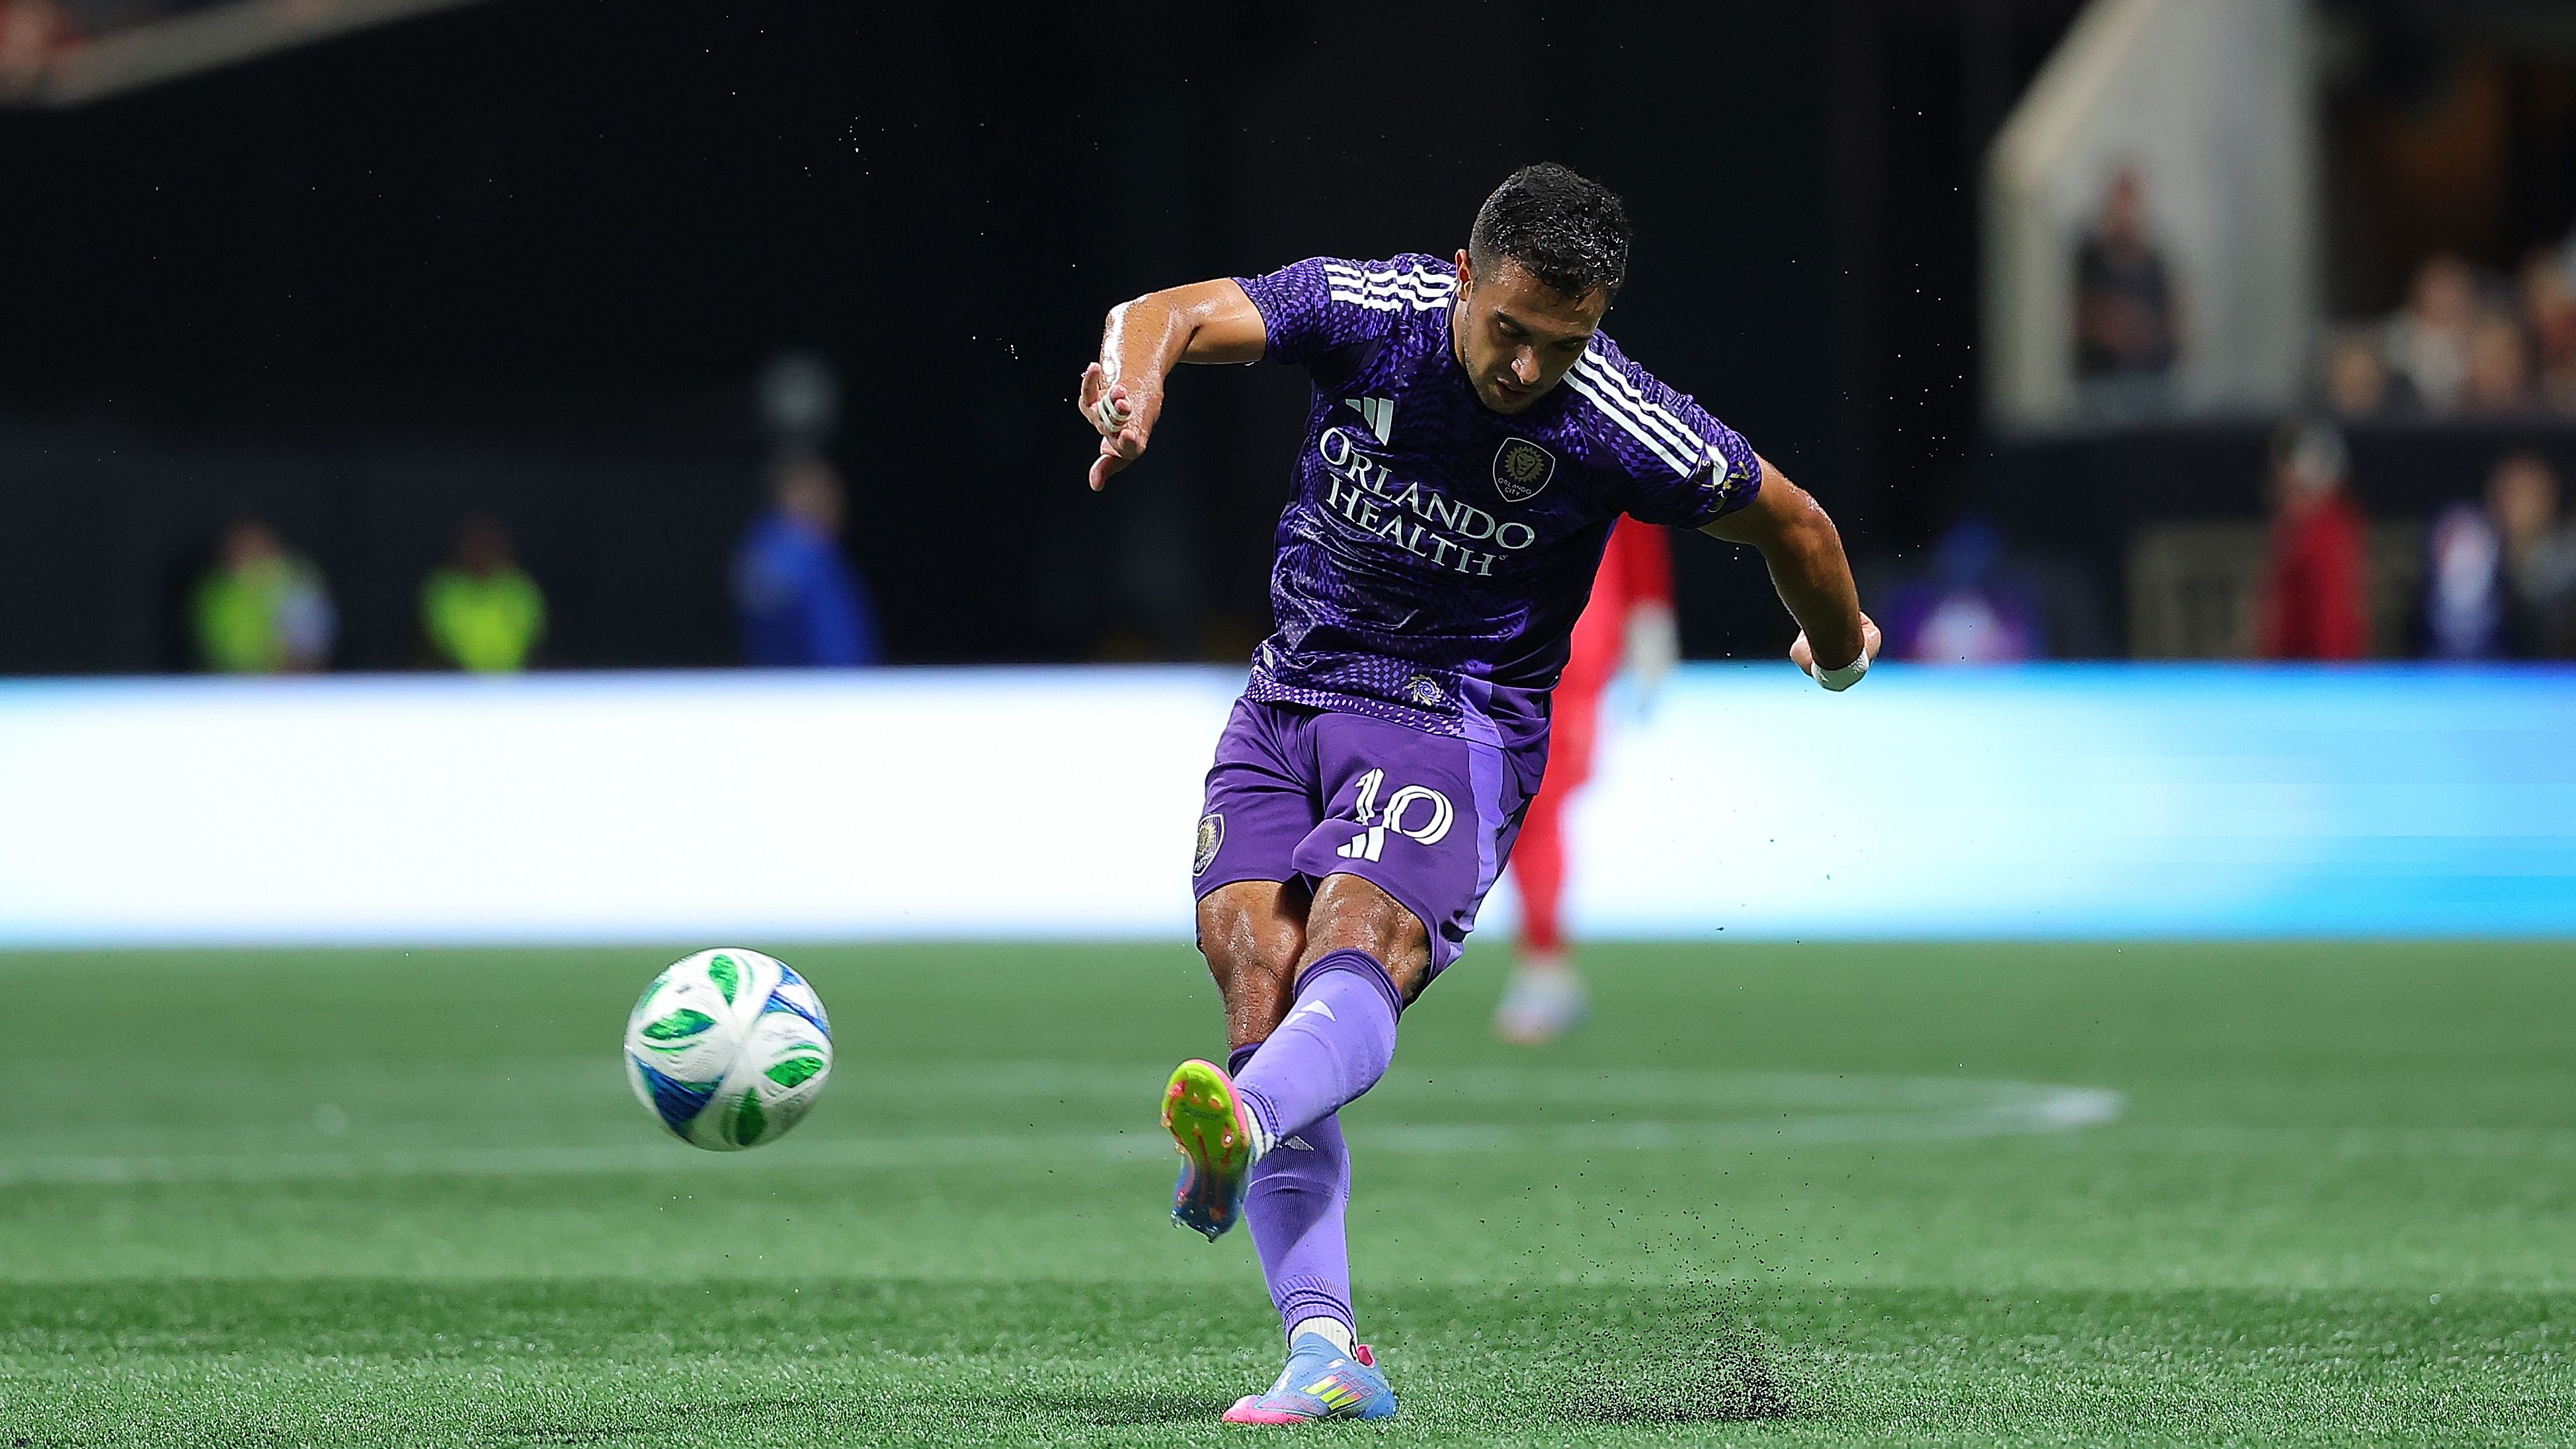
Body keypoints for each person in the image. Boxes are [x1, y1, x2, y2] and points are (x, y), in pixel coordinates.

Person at [1076, 163, 1878, 1425]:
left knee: (1359, 940)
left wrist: (1835, 653)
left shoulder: (1621, 418)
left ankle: (1242, 1117)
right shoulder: (1367, 310)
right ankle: (1325, 1351)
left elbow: (1803, 528)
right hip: (1287, 697)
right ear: (1464, 277)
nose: (1525, 368)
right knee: (1250, 969)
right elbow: (1162, 308)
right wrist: (1134, 379)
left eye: (1564, 343)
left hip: (1452, 721)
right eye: (1509, 330)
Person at [1491, 516, 1677, 1044]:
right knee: (1515, 802)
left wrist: (1649, 614)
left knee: (1535, 803)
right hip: (1504, 621)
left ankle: (1545, 966)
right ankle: (1544, 965)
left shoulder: (1597, 436)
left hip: (1570, 636)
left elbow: (1640, 504)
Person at [732, 451, 879, 666]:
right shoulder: (788, 553)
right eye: (823, 493)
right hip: (814, 690)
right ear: (792, 493)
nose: (836, 504)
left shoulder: (819, 551)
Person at [2254, 421, 2370, 661]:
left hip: (2316, 680)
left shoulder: (2329, 532)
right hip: (2289, 675)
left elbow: (2332, 622)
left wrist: (2329, 681)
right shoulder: (2291, 528)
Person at [2073, 168, 2181, 421]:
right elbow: (2082, 315)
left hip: (2151, 383)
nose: (2125, 209)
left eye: (2129, 201)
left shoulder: (2155, 263)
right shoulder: (2091, 259)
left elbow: (2173, 323)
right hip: (2101, 383)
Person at [192, 519, 335, 674]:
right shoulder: (215, 595)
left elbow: (313, 643)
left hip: (297, 685)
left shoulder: (299, 582)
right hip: (235, 687)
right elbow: (220, 652)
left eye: (257, 548)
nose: (251, 556)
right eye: (242, 550)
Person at [421, 515, 546, 672]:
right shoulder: (443, 592)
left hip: (517, 688)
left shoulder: (521, 590)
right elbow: (432, 650)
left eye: (489, 545)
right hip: (453, 689)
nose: (482, 552)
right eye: (475, 546)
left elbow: (535, 646)